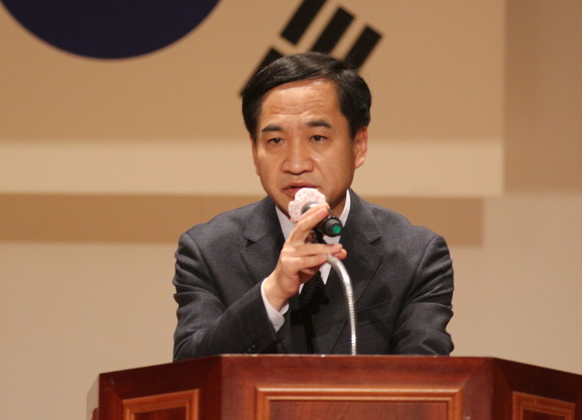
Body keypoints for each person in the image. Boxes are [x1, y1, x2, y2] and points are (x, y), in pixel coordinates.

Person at [172, 52, 453, 359]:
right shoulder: (209, 250)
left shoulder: (415, 255)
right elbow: (190, 371)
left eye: (317, 138)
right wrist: (273, 292)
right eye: (275, 141)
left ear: (359, 146)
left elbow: (428, 378)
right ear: (254, 152)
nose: (296, 164)